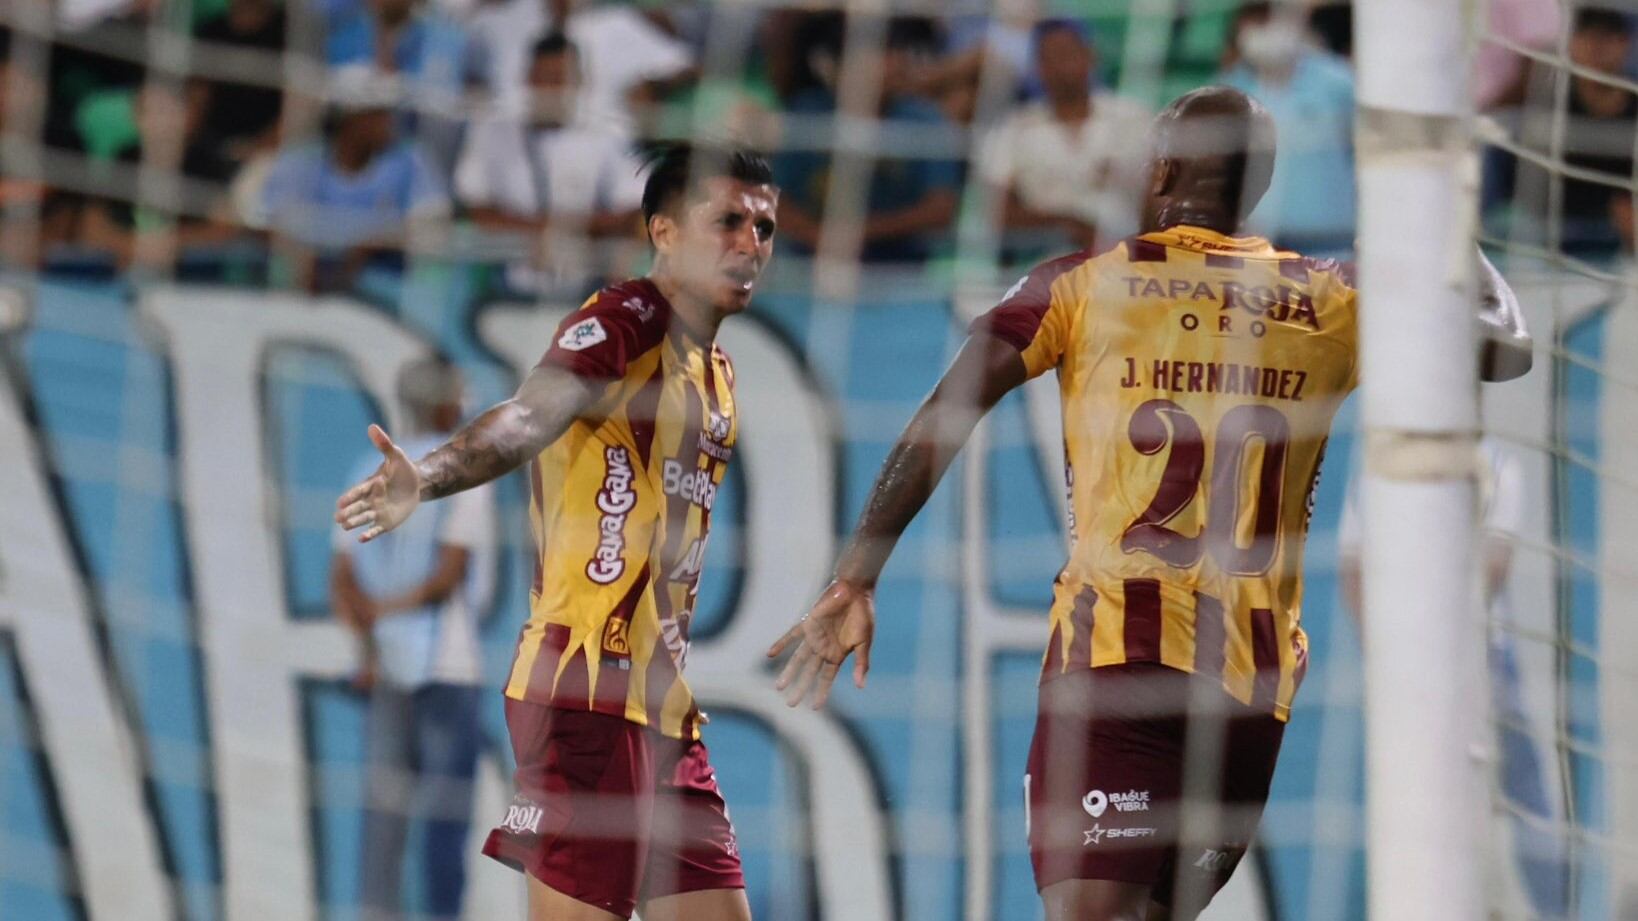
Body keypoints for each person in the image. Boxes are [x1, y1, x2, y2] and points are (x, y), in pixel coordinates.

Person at [767, 86, 1533, 921]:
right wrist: (1433, 222)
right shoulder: (1331, 297)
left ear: (1162, 169)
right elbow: (1506, 344)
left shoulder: (1085, 284)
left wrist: (856, 573)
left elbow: (944, 414)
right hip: (1253, 679)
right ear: (1259, 189)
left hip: (1117, 662)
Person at [335, 142, 777, 921]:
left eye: (765, 227)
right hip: (583, 694)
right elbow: (527, 415)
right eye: (729, 221)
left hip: (665, 709)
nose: (750, 244)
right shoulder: (626, 320)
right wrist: (431, 475)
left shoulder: (719, 374)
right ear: (665, 232)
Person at [1338, 438, 1568, 919]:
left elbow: (1494, 566)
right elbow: (1352, 570)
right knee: (1422, 800)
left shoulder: (1495, 462)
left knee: (1515, 796)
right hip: (1409, 667)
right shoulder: (1378, 466)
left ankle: (1545, 909)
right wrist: (1389, 659)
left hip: (1482, 660)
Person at [330, 356, 496, 921]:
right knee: (445, 824)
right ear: (451, 402)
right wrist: (389, 611)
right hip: (445, 671)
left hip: (385, 670)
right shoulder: (461, 471)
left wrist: (369, 642)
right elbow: (446, 579)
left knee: (383, 821)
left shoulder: (365, 466)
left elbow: (340, 581)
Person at [454, 32, 646, 297]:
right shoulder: (493, 131)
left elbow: (632, 212)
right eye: (542, 79)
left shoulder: (607, 134)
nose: (550, 90)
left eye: (559, 80)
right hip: (501, 282)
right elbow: (474, 210)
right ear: (527, 79)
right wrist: (539, 234)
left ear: (580, 83)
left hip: (587, 284)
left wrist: (566, 231)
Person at [257, 67, 450, 292]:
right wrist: (303, 258)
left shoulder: (411, 160)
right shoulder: (301, 162)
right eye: (377, 114)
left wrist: (372, 245)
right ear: (351, 119)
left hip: (387, 289)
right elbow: (266, 222)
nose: (387, 122)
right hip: (303, 287)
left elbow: (432, 225)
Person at [978, 19, 1152, 260]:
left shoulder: (1133, 118)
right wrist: (1066, 224)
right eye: (1048, 58)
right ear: (1037, 68)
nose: (1059, 66)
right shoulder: (1015, 128)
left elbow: (1159, 195)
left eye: (1067, 54)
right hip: (1046, 258)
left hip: (1126, 256)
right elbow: (995, 211)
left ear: (1089, 57)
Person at [1218, 1, 1356, 256]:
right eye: (1254, 23)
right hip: (1255, 251)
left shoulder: (1338, 83)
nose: (1261, 32)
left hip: (1331, 246)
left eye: (1266, 20)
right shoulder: (1228, 91)